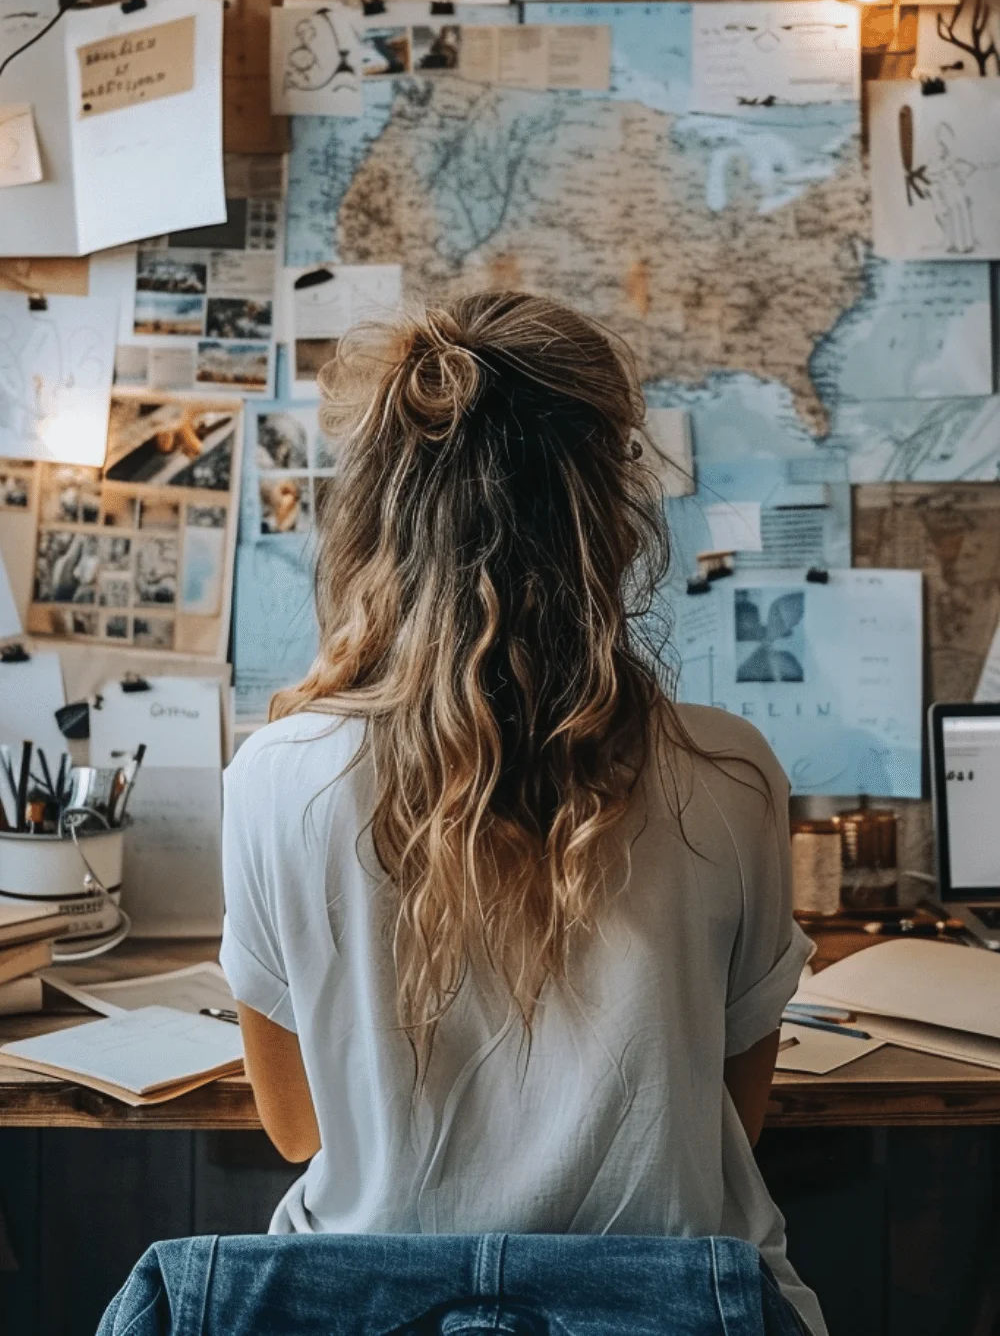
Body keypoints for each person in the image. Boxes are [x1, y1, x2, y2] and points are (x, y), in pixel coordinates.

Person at [221, 293, 824, 1335]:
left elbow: (295, 1128)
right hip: (676, 1311)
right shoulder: (732, 775)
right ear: (610, 518)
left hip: (375, 1308)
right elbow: (732, 1116)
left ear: (379, 517)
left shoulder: (277, 776)